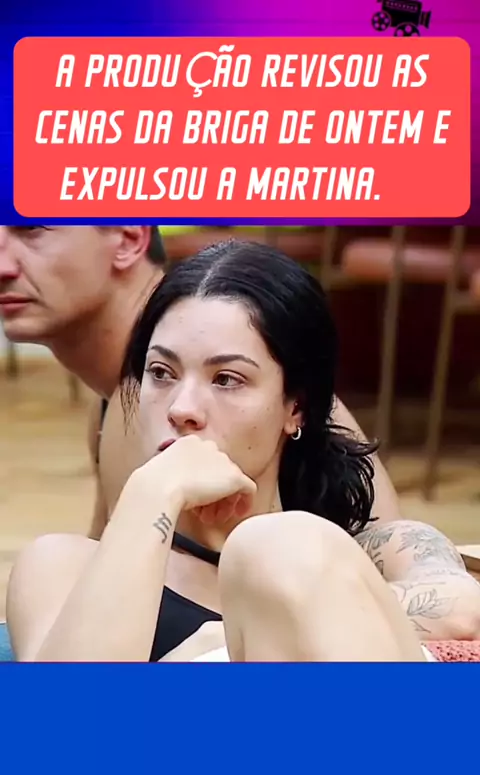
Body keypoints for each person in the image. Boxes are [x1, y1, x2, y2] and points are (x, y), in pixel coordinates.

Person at [6, 240, 480, 662]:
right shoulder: (64, 568)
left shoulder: (373, 550)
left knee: (274, 547)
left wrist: (237, 632)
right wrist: (151, 494)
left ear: (296, 407)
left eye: (227, 379)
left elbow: (461, 611)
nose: (182, 408)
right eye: (161, 373)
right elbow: (69, 717)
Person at [0, 225, 401, 540]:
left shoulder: (265, 378)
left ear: (128, 237)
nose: (3, 265)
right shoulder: (117, 407)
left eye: (31, 229)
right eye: (161, 373)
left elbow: (392, 563)